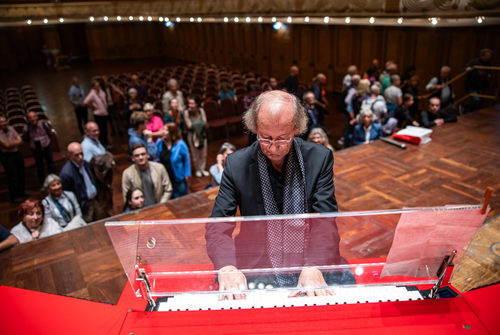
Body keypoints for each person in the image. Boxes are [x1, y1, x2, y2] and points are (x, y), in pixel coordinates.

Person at [206, 90, 350, 298]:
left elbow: (325, 221)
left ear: (296, 129)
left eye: (282, 138)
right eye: (265, 138)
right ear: (255, 128)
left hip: (312, 259)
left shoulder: (319, 158)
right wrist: (226, 267)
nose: (273, 148)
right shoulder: (237, 164)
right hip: (256, 265)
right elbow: (218, 225)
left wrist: (314, 265)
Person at [59, 142, 103, 222]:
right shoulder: (66, 174)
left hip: (94, 200)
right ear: (70, 156)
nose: (81, 157)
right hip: (84, 207)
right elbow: (67, 196)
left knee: (101, 221)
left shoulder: (85, 163)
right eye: (77, 155)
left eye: (82, 153)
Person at [156, 123, 191, 198]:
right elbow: (157, 158)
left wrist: (187, 174)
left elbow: (186, 159)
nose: (162, 131)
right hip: (165, 177)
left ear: (172, 132)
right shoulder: (159, 142)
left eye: (165, 130)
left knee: (182, 197)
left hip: (178, 177)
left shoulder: (180, 144)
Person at [23, 111, 55, 187]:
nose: (32, 119)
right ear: (28, 120)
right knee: (40, 168)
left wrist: (45, 142)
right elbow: (26, 139)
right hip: (36, 150)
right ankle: (43, 185)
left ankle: (54, 182)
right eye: (30, 118)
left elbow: (50, 134)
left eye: (34, 116)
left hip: (46, 147)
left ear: (37, 117)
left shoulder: (44, 124)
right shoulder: (26, 128)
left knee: (51, 165)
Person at [0, 115, 26, 203]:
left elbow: (21, 140)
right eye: (1, 122)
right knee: (13, 176)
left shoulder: (11, 128)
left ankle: (22, 192)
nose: (3, 123)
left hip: (17, 153)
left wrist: (11, 143)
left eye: (4, 121)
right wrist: (15, 142)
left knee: (21, 173)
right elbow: (6, 146)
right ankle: (14, 196)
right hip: (7, 156)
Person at [183, 96, 208, 177]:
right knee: (195, 154)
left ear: (196, 104)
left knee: (203, 153)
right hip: (192, 135)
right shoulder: (186, 112)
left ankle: (202, 169)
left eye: (192, 103)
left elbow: (204, 122)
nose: (190, 105)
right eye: (189, 103)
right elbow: (189, 126)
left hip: (202, 134)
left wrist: (197, 124)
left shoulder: (201, 111)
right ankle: (197, 170)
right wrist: (199, 123)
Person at [463, 48, 494, 113]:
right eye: (487, 55)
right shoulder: (474, 62)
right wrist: (467, 69)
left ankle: (471, 112)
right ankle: (464, 107)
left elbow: (489, 73)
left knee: (476, 100)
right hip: (471, 84)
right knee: (476, 99)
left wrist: (488, 75)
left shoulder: (488, 64)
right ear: (482, 56)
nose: (488, 57)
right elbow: (465, 69)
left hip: (480, 85)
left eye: (489, 55)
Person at [83, 80, 109, 147]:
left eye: (98, 85)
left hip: (104, 113)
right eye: (96, 86)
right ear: (93, 87)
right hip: (98, 114)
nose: (98, 87)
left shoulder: (101, 91)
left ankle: (106, 142)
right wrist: (92, 107)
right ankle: (102, 143)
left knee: (105, 129)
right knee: (100, 130)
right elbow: (85, 102)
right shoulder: (92, 93)